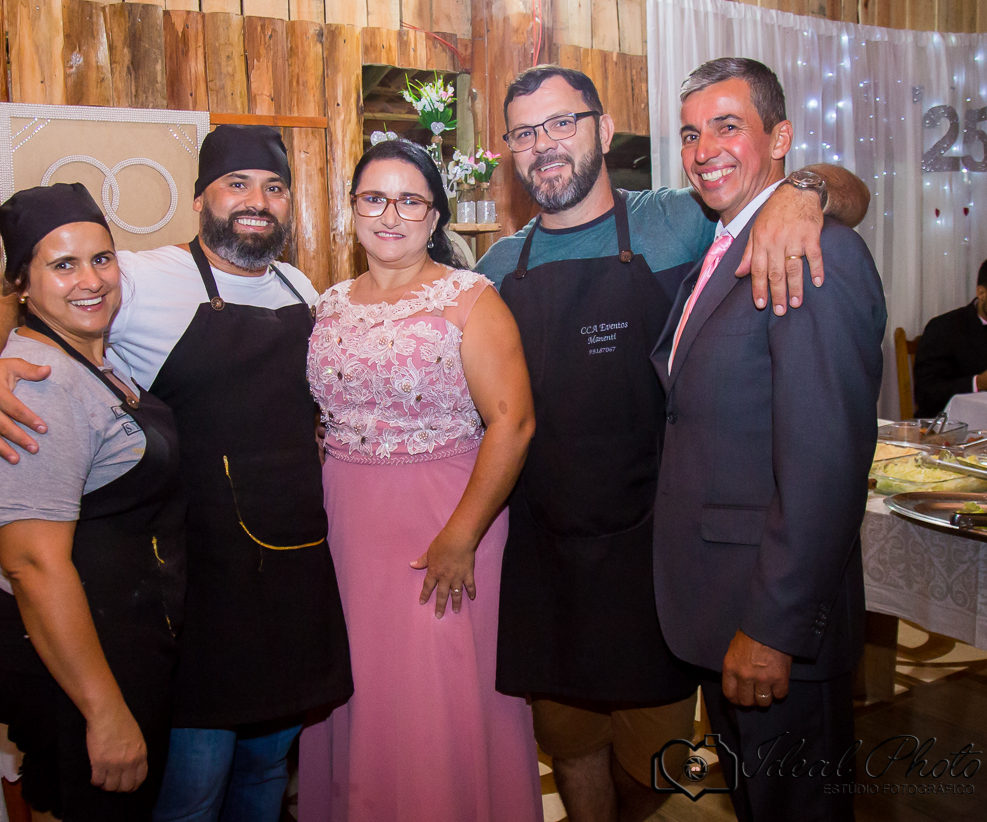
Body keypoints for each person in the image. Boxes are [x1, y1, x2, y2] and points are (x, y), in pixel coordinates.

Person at [474, 65, 870, 822]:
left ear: (603, 130)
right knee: (572, 744)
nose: (544, 143)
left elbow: (846, 195)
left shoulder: (682, 218)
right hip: (545, 554)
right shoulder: (494, 269)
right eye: (524, 132)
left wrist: (805, 190)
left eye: (562, 123)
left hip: (655, 554)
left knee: (663, 761)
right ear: (510, 150)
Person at [0, 126, 353, 822]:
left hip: (291, 569)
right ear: (200, 199)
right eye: (236, 184)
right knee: (193, 786)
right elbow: (8, 307)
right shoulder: (138, 276)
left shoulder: (300, 286)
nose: (256, 201)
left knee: (266, 770)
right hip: (200, 581)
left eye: (274, 187)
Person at [650, 58, 885, 822]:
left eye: (727, 126)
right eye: (691, 134)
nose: (704, 150)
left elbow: (827, 462)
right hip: (722, 609)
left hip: (772, 624)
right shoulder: (720, 247)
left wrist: (773, 629)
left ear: (780, 137)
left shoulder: (811, 250)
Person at [298, 138, 542, 822]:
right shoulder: (328, 304)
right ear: (352, 209)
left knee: (437, 690)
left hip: (447, 517)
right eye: (374, 198)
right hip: (348, 523)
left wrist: (462, 535)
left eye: (410, 201)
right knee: (359, 683)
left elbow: (514, 422)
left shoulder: (470, 299)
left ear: (434, 217)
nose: (390, 215)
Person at [0, 182, 187, 821]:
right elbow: (32, 565)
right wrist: (105, 711)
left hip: (117, 635)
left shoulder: (94, 357)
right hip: (74, 663)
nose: (90, 280)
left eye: (101, 259)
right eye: (63, 265)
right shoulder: (38, 383)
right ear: (22, 284)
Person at [912, 259, 987, 417]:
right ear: (981, 293)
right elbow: (926, 393)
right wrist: (978, 382)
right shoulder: (944, 328)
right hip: (950, 427)